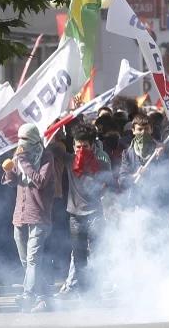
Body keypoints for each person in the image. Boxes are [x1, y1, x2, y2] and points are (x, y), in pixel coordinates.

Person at [1, 123, 55, 313]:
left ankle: (27, 296)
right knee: (27, 261)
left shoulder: (46, 157)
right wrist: (9, 169)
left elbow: (40, 182)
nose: (21, 144)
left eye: (25, 140)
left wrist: (23, 162)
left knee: (33, 260)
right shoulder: (19, 157)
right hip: (20, 215)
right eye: (19, 140)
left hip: (38, 215)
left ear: (33, 140)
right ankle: (45, 297)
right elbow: (10, 181)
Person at [54, 124, 112, 298]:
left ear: (92, 146)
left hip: (94, 214)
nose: (81, 150)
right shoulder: (69, 160)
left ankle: (96, 288)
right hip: (74, 215)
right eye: (78, 146)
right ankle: (84, 291)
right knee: (79, 256)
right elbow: (53, 148)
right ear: (73, 146)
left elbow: (108, 186)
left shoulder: (101, 163)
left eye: (85, 147)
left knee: (96, 253)